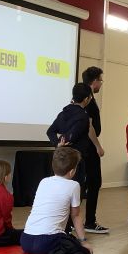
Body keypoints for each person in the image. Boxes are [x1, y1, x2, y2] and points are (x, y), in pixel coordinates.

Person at [19, 147, 92, 254]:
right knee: (80, 252)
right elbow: (76, 216)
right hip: (48, 241)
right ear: (72, 171)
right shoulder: (74, 185)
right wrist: (83, 241)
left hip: (26, 239)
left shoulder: (43, 181)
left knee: (55, 250)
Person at [47, 82, 93, 233]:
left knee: (61, 193)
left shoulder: (64, 112)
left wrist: (58, 145)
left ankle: (62, 226)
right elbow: (72, 136)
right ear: (86, 99)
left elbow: (50, 131)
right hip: (75, 160)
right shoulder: (83, 116)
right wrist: (65, 141)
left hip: (61, 158)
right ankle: (67, 228)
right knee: (74, 196)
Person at [81, 66, 108, 234]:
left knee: (84, 183)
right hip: (89, 148)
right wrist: (98, 146)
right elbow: (89, 126)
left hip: (84, 147)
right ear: (95, 81)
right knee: (94, 182)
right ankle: (90, 221)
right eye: (101, 80)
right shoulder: (88, 100)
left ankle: (74, 222)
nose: (101, 84)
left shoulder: (83, 98)